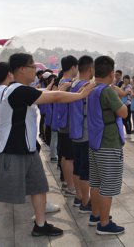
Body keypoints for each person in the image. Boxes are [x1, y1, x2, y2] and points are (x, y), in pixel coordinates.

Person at [0, 53, 95, 247]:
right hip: (11, 152)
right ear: (22, 69)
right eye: (32, 67)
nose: (35, 71)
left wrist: (56, 90)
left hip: (28, 150)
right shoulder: (17, 91)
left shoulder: (5, 89)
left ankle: (40, 224)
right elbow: (53, 96)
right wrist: (80, 95)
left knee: (39, 187)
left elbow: (43, 94)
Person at [87, 56, 127, 235]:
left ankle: (95, 214)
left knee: (95, 182)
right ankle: (104, 223)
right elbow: (123, 113)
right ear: (112, 73)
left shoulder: (92, 89)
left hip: (95, 142)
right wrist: (120, 96)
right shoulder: (108, 91)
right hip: (109, 143)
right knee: (108, 185)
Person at [68, 55, 95, 213]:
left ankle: (79, 197)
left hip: (75, 130)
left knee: (77, 167)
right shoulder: (87, 86)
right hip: (85, 132)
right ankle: (86, 202)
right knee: (85, 170)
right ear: (90, 69)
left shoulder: (74, 84)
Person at [56, 56, 79, 199]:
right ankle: (71, 187)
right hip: (68, 125)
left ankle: (66, 182)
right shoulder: (68, 84)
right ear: (73, 67)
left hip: (62, 123)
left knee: (65, 156)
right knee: (69, 157)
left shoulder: (62, 82)